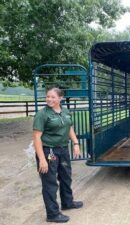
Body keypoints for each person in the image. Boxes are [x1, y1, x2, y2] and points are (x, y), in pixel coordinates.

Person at [33, 87, 83, 223]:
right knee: (50, 183)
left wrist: (76, 143)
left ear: (60, 98)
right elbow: (37, 137)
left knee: (66, 177)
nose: (49, 99)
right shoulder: (42, 114)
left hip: (63, 150)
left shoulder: (65, 111)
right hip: (49, 152)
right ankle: (52, 214)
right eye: (48, 96)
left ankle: (67, 202)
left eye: (53, 97)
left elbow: (69, 128)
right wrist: (42, 159)